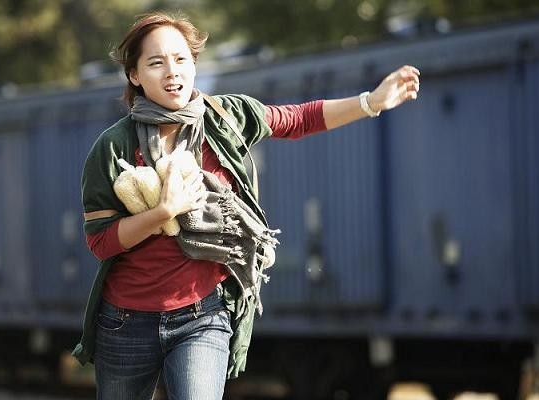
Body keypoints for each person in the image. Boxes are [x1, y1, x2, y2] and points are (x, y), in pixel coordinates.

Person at [72, 11, 420, 400]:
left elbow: (298, 119)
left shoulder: (225, 118)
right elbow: (101, 242)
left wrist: (370, 101)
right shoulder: (113, 147)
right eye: (156, 62)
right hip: (125, 321)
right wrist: (162, 213)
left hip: (202, 316)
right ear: (134, 75)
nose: (172, 71)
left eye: (181, 58)